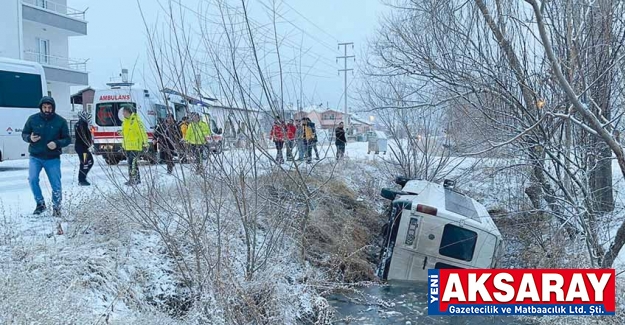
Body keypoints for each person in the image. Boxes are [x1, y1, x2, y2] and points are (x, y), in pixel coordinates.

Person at [21, 96, 71, 216]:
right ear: (41, 107)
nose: (47, 109)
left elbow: (67, 139)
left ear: (53, 108)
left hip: (52, 158)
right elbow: (24, 134)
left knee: (56, 184)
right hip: (35, 156)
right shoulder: (32, 119)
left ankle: (57, 207)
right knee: (32, 179)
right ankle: (40, 204)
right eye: (44, 107)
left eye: (49, 107)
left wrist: (57, 143)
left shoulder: (60, 121)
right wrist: (30, 138)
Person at [120, 106, 149, 185]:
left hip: (135, 146)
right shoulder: (125, 122)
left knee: (132, 163)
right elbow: (126, 133)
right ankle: (135, 179)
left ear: (128, 112)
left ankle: (134, 179)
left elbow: (142, 132)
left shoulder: (136, 121)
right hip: (128, 147)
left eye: (124, 112)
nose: (123, 113)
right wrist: (120, 133)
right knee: (131, 164)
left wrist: (145, 143)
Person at [74, 110, 94, 186]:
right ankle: (81, 180)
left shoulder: (82, 124)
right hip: (82, 148)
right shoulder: (81, 125)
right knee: (85, 163)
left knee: (88, 162)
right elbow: (84, 136)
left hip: (83, 148)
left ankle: (82, 178)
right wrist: (89, 144)